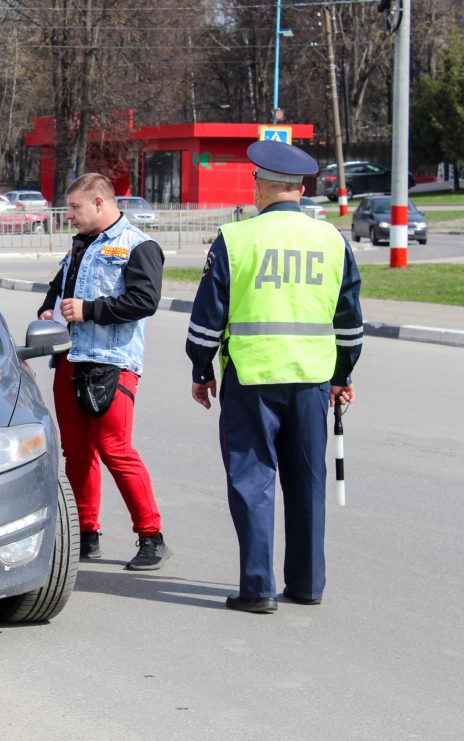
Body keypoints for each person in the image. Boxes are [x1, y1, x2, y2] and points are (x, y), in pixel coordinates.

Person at [185, 140, 363, 614]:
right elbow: (349, 321)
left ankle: (258, 589)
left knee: (252, 482)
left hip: (252, 378)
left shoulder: (236, 238)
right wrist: (343, 376)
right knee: (307, 482)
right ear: (301, 189)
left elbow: (207, 318)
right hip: (311, 379)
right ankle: (307, 584)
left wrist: (201, 370)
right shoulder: (333, 241)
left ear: (261, 186)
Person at [37, 173, 169, 570]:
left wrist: (90, 310)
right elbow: (57, 289)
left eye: (75, 208)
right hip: (70, 360)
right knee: (76, 453)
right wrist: (47, 309)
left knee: (116, 449)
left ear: (99, 202)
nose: (69, 216)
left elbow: (145, 301)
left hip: (113, 364)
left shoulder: (138, 245)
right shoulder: (79, 246)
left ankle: (151, 536)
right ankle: (85, 532)